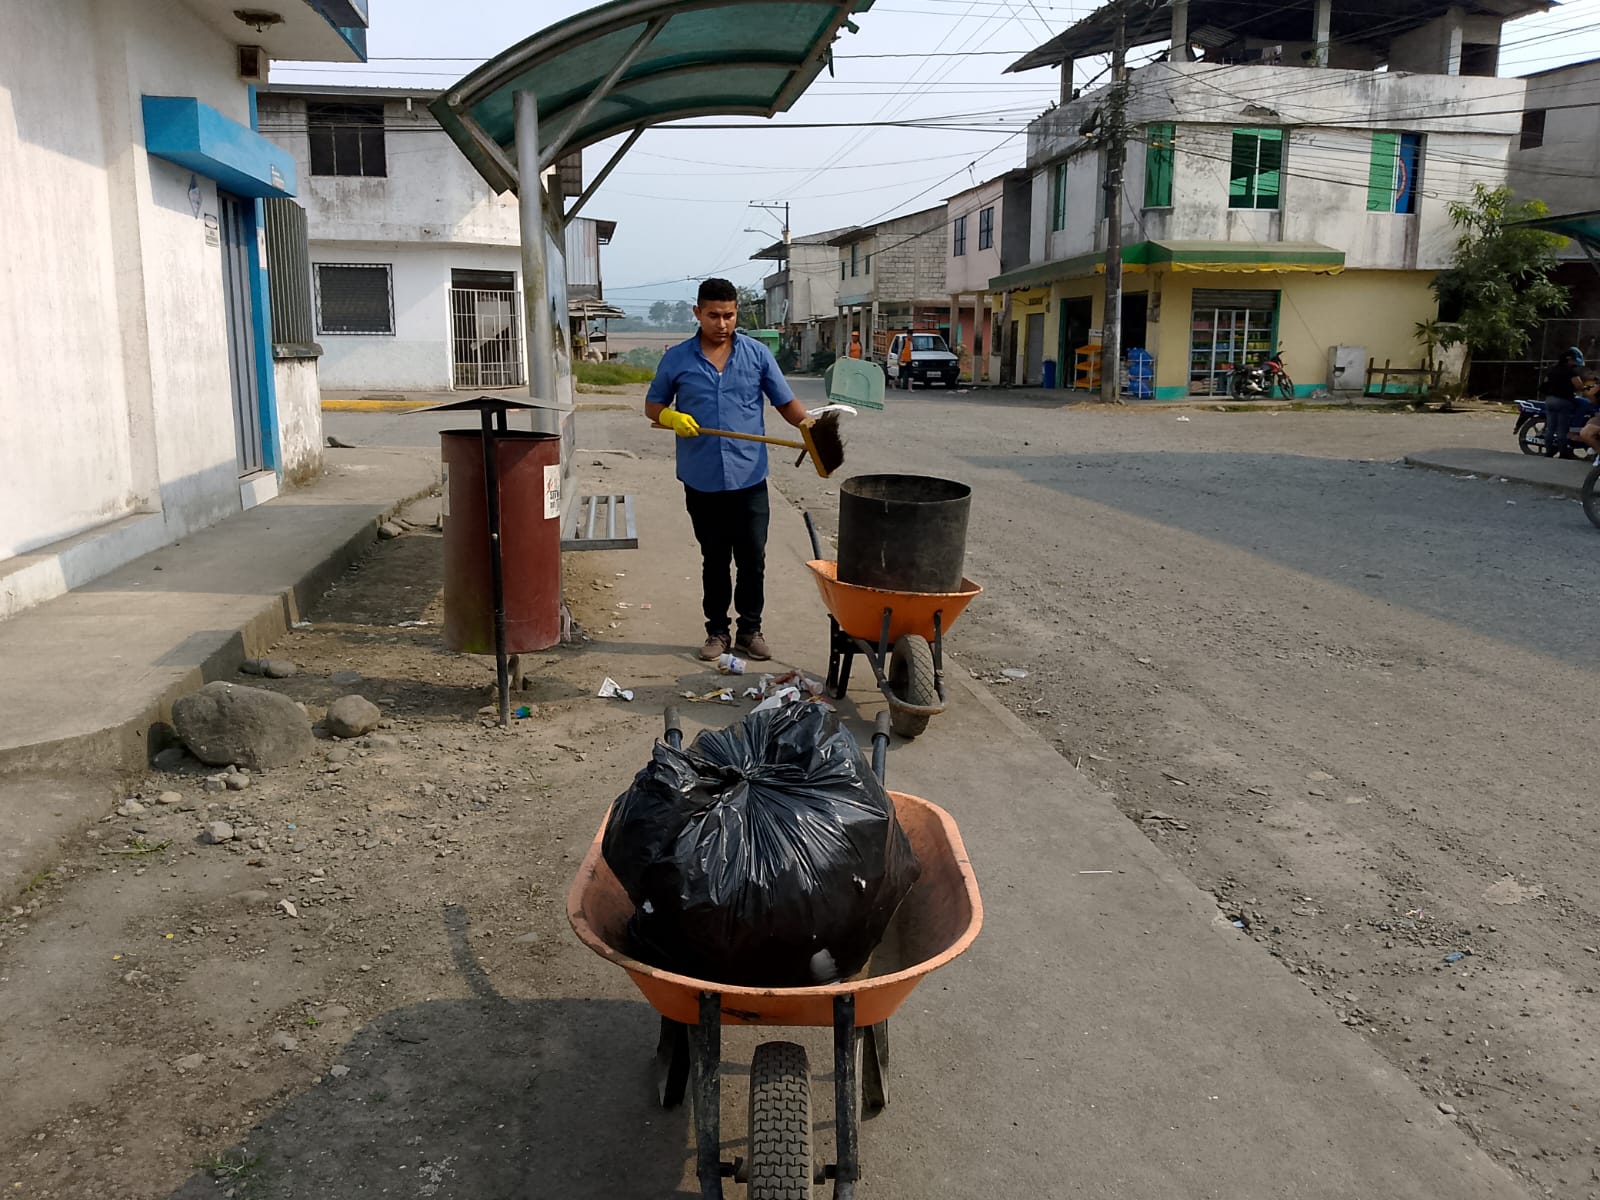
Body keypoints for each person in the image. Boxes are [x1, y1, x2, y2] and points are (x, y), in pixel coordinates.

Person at [646, 278, 810, 662]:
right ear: (697, 313)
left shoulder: (756, 355)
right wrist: (670, 417)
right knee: (715, 559)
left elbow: (786, 403)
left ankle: (750, 631)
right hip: (701, 477)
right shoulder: (678, 359)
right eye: (714, 315)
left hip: (749, 476)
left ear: (737, 313)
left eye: (729, 315)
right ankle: (717, 631)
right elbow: (653, 405)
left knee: (753, 558)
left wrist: (811, 428)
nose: (722, 324)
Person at [1540, 347, 1586, 459]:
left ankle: (1549, 452)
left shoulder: (1552, 369)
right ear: (1569, 359)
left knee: (1550, 428)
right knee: (1562, 429)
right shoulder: (1571, 371)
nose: (1575, 363)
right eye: (1574, 360)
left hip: (1550, 400)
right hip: (1564, 401)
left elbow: (1545, 383)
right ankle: (1563, 453)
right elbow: (1579, 386)